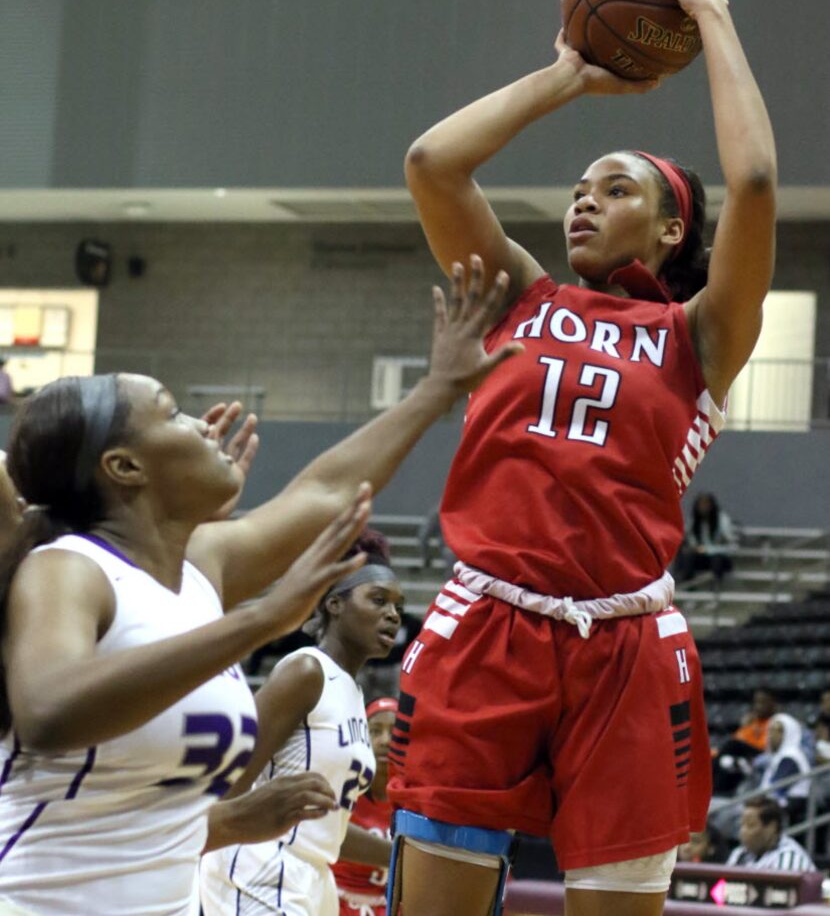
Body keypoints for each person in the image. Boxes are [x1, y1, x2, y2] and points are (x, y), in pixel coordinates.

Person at [388, 0, 776, 916]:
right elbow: (433, 163)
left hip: (624, 644)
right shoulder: (521, 296)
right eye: (575, 189)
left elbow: (756, 183)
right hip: (484, 622)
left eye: (614, 189)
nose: (581, 203)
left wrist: (710, 12)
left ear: (670, 226)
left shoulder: (701, 335)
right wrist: (569, 76)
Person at [0, 267, 520, 915]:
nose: (201, 422)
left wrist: (439, 388)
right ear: (126, 468)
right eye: (171, 412)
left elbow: (326, 493)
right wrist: (258, 622)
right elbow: (49, 710)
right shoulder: (68, 567)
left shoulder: (201, 568)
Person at [199, 535, 400, 915]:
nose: (392, 614)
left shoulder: (354, 697)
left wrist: (403, 856)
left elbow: (328, 830)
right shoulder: (306, 671)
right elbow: (228, 781)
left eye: (396, 606)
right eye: (378, 600)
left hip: (314, 872)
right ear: (334, 604)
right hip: (261, 865)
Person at [333, 696, 397, 915]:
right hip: (336, 903)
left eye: (394, 732)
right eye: (375, 731)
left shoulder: (415, 800)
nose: (385, 740)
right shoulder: (342, 788)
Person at [727, 797, 815, 872]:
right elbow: (721, 889)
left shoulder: (790, 858)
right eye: (741, 825)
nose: (743, 831)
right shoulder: (739, 853)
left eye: (750, 825)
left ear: (771, 827)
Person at [675, 492, 738, 583]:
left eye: (706, 504)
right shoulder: (694, 522)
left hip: (719, 557)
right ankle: (688, 587)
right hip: (702, 557)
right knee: (687, 557)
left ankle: (716, 588)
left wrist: (708, 550)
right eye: (700, 504)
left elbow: (732, 546)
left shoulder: (722, 521)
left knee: (717, 560)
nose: (703, 507)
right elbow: (691, 540)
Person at [759, 713, 811, 818]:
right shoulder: (779, 756)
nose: (772, 734)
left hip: (791, 807)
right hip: (776, 805)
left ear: (790, 732)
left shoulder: (791, 756)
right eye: (771, 729)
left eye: (779, 730)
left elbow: (775, 790)